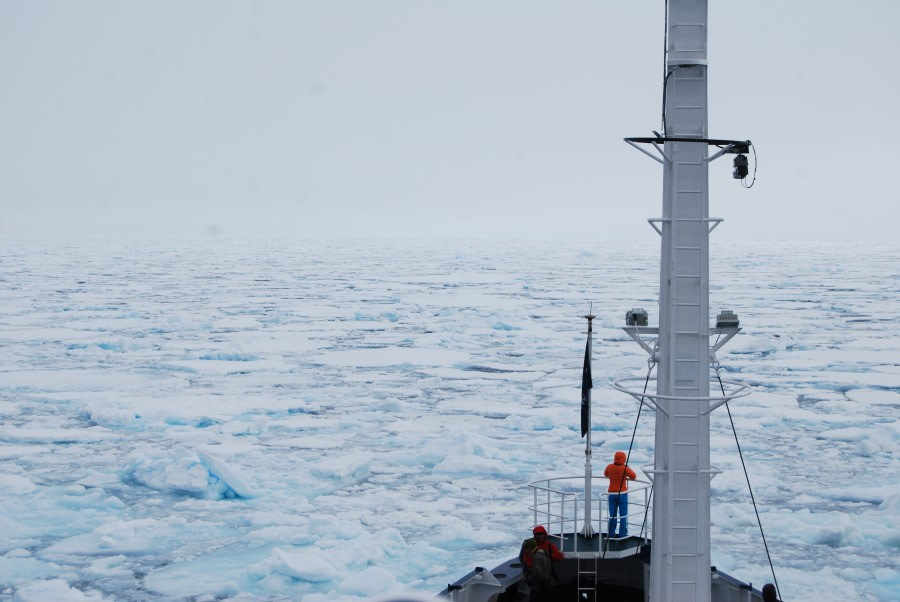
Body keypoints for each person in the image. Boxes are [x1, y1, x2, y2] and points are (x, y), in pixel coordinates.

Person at [519, 525, 564, 597]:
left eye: (541, 534)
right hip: (534, 575)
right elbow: (525, 556)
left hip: (546, 576)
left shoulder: (549, 545)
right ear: (534, 536)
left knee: (547, 595)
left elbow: (559, 556)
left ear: (544, 534)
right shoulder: (531, 545)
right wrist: (529, 563)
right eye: (537, 534)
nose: (540, 536)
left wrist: (546, 556)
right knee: (536, 595)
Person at [603, 451, 637, 538]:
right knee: (623, 516)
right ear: (624, 459)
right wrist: (626, 468)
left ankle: (611, 534)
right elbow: (633, 476)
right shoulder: (624, 468)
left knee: (612, 515)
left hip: (611, 494)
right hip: (622, 494)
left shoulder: (609, 467)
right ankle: (622, 534)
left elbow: (606, 474)